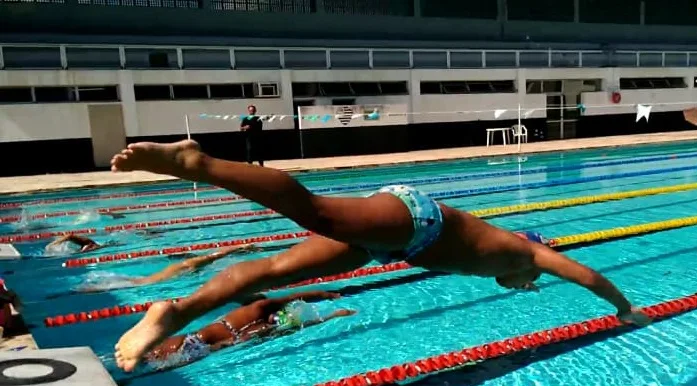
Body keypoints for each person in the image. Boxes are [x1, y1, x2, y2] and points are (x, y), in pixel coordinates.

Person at [109, 139, 651, 372]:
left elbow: (506, 274)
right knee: (315, 211)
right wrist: (623, 307)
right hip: (414, 219)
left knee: (273, 272)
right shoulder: (527, 255)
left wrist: (517, 283)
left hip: (393, 244)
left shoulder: (512, 265)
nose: (523, 284)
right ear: (537, 248)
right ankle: (199, 163)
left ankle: (176, 314)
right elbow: (587, 275)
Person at [142, 291, 354, 370]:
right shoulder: (258, 309)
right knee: (154, 360)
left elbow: (295, 324)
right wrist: (323, 297)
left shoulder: (266, 324)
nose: (278, 319)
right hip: (190, 343)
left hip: (203, 344)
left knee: (152, 363)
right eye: (279, 314)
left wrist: (329, 314)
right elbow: (290, 299)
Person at [77, 244, 257, 292]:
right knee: (91, 289)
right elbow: (218, 255)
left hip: (140, 281)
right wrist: (241, 248)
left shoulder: (183, 265)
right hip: (141, 284)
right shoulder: (191, 264)